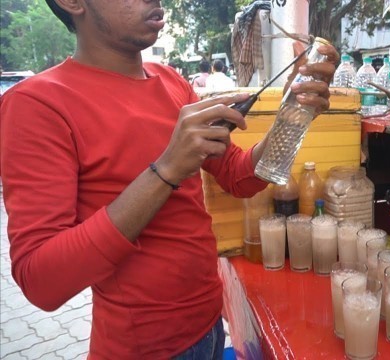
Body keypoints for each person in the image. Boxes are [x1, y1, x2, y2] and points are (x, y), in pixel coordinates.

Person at [0, 1, 338, 359]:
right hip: (143, 349)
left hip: (210, 324)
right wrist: (168, 169)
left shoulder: (172, 81)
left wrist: (294, 111)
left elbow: (239, 177)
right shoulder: (37, 103)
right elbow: (42, 282)